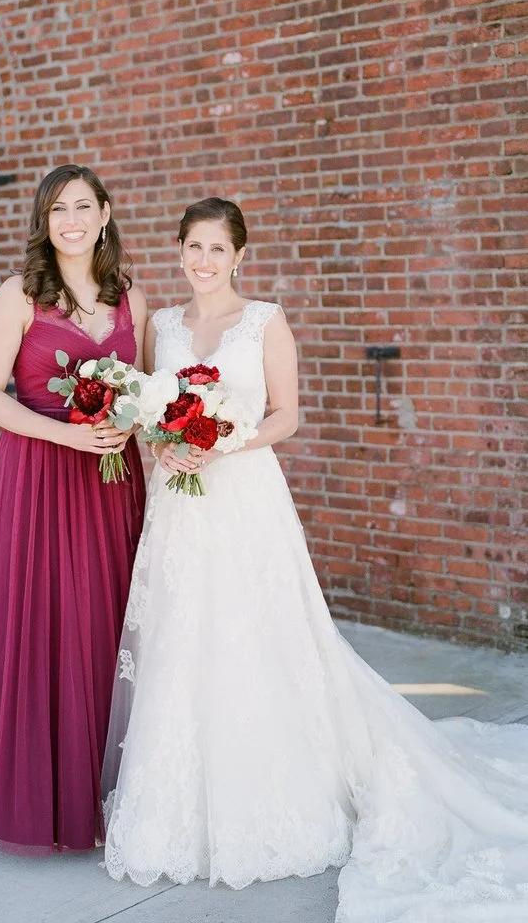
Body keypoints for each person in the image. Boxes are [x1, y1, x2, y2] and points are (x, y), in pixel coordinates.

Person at [101, 197, 528, 921]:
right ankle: (180, 807)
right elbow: (147, 405)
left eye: (216, 249)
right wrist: (162, 443)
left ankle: (274, 796)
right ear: (178, 251)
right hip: (179, 504)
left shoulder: (265, 321)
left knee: (257, 637)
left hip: (243, 497)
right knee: (183, 639)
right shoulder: (161, 326)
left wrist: (219, 442)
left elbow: (286, 415)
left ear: (241, 255)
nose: (202, 261)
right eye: (191, 247)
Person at [0, 164, 147, 855]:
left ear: (106, 213)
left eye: (83, 206)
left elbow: (144, 390)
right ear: (43, 220)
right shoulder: (18, 297)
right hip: (39, 480)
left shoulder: (130, 298)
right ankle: (44, 796)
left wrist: (150, 428)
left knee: (108, 623)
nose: (71, 220)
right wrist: (69, 434)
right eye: (57, 209)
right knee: (48, 623)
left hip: (114, 483)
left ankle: (108, 783)